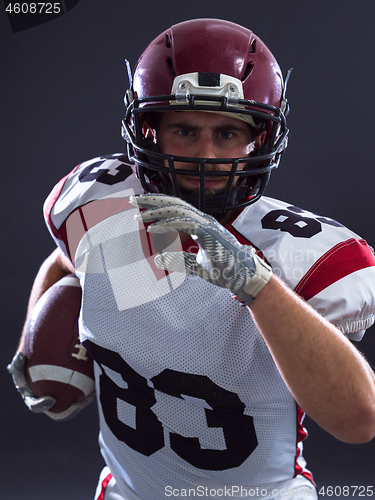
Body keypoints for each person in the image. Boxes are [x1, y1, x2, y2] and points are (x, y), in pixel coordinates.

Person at [8, 18, 375, 500]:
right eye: (184, 130)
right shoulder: (107, 208)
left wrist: (257, 286)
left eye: (226, 134)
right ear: (150, 131)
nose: (206, 155)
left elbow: (359, 421)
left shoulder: (300, 255)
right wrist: (41, 339)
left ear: (259, 139)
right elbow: (67, 264)